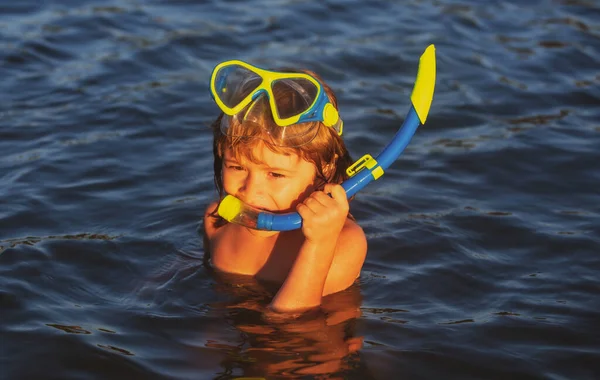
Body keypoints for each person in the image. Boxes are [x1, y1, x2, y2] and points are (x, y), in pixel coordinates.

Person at [203, 60, 367, 312]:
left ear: (324, 168)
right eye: (236, 167)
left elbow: (292, 319)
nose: (251, 190)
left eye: (276, 175)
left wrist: (319, 244)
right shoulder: (217, 220)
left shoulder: (344, 242)